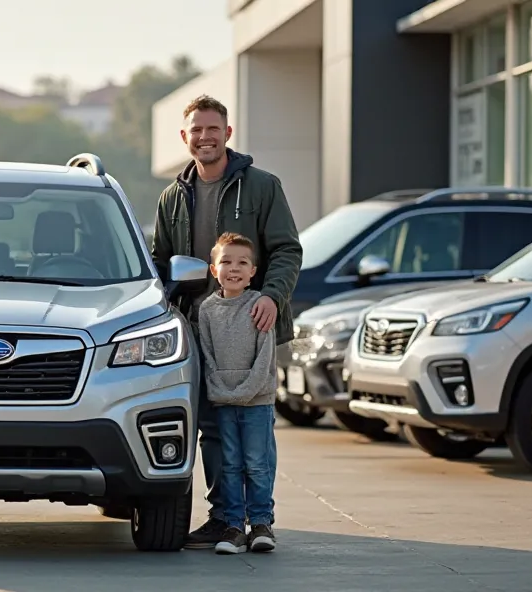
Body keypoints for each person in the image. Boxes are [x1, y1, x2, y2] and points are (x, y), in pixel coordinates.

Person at [149, 94, 301, 550]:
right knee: (209, 428)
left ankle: (258, 520)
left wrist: (272, 297)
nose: (204, 137)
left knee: (253, 431)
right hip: (194, 330)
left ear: (228, 134)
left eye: (213, 129)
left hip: (250, 324)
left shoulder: (261, 186)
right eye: (196, 129)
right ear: (184, 137)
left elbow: (287, 250)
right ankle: (225, 519)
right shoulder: (172, 195)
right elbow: (158, 262)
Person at [198, 232, 278, 554]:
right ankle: (233, 527)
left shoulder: (259, 304)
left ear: (253, 271)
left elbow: (265, 357)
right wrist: (222, 391)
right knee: (229, 463)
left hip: (256, 400)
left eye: (242, 262)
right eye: (226, 261)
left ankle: (261, 524)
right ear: (214, 270)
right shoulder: (207, 310)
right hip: (224, 401)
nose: (234, 268)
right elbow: (207, 355)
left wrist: (245, 391)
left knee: (257, 463)